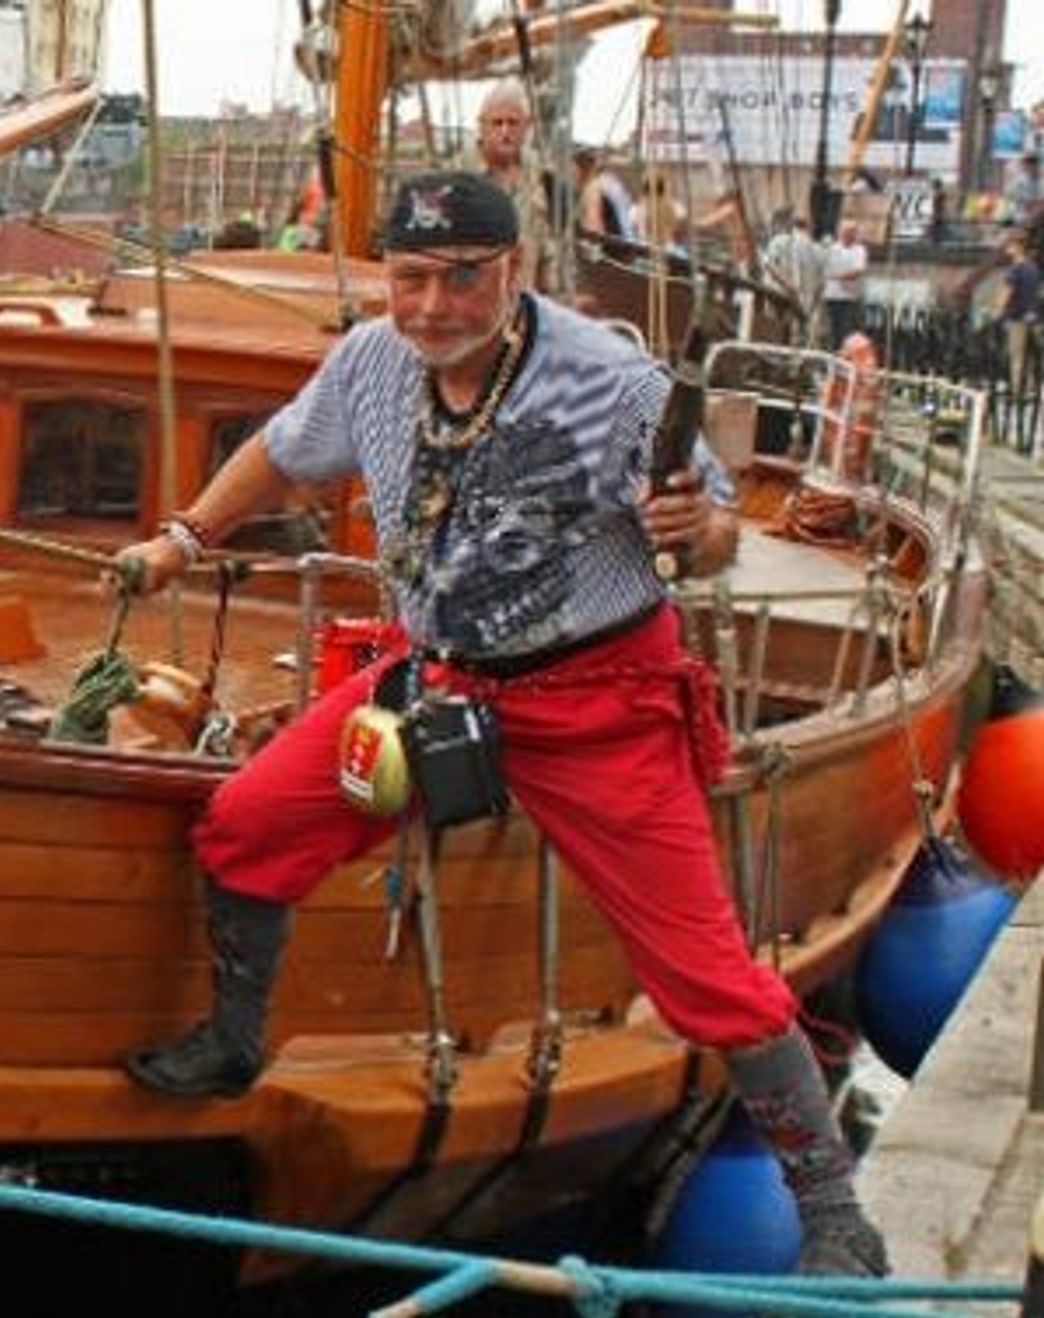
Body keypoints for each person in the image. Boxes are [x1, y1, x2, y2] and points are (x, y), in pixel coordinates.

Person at [116, 169, 889, 1280]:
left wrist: (698, 526)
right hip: (439, 682)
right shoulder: (373, 361)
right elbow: (282, 453)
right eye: (411, 277)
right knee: (246, 821)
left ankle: (832, 1214)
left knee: (706, 977)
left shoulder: (613, 383)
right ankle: (235, 1040)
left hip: (599, 704)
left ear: (514, 270)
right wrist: (184, 538)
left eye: (461, 278)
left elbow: (711, 537)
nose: (432, 305)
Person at [473, 77, 554, 289]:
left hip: (524, 296)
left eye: (512, 122)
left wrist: (549, 292)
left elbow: (545, 240)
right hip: (477, 300)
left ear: (527, 127)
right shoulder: (461, 174)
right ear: (481, 125)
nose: (505, 131)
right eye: (497, 123)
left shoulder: (536, 169)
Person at [764, 213, 826, 345]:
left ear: (791, 226)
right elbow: (821, 285)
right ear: (810, 228)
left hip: (778, 295)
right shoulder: (818, 249)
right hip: (804, 303)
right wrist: (811, 307)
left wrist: (787, 285)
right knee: (797, 339)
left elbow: (769, 266)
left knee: (774, 333)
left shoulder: (778, 240)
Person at [995, 232, 1041, 399]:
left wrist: (996, 313)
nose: (1007, 248)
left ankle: (1017, 390)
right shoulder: (1033, 268)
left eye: (1009, 245)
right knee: (1031, 354)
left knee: (1017, 355)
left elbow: (1006, 293)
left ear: (1018, 247)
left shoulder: (1015, 270)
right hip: (1033, 317)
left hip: (1016, 317)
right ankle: (1030, 388)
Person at [822, 218, 868, 350]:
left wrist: (836, 276)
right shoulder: (832, 248)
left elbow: (857, 272)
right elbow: (823, 267)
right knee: (830, 331)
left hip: (848, 298)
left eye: (850, 231)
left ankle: (842, 359)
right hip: (830, 297)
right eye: (844, 231)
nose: (846, 234)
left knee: (845, 333)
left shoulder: (859, 250)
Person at [574, 146, 636, 239]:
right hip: (628, 242)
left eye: (575, 170)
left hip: (615, 248)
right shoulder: (610, 181)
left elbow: (594, 231)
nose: (574, 176)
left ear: (583, 170)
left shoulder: (593, 189)